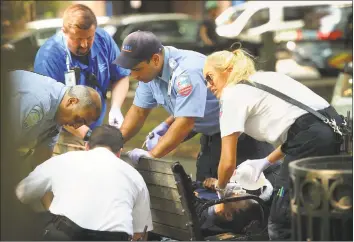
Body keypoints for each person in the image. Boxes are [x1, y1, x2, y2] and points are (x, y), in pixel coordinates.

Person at [202, 48, 344, 240]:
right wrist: (266, 161)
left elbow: (227, 162)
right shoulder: (267, 78)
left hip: (313, 139)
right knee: (323, 210)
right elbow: (302, 127)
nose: (209, 85)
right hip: (336, 131)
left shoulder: (232, 94)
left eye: (210, 77)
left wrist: (222, 191)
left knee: (282, 217)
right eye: (205, 81)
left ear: (227, 69)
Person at [114, 31, 276, 182]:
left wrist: (152, 155)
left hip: (243, 138)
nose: (133, 76)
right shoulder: (149, 75)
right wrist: (112, 145)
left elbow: (186, 121)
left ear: (156, 59)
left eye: (136, 69)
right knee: (204, 194)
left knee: (251, 196)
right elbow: (138, 111)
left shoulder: (185, 72)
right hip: (211, 137)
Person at [15, 125, 153, 241]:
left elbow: (21, 194)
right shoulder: (135, 177)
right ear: (119, 152)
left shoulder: (63, 160)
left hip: (66, 234)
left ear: (87, 146)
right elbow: (140, 233)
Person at [34, 4, 130, 155]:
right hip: (62, 132)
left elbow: (121, 76)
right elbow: (55, 110)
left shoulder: (103, 40)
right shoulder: (48, 57)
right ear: (64, 32)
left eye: (89, 38)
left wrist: (116, 108)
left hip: (95, 129)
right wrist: (90, 136)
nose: (84, 44)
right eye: (78, 39)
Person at [8, 70, 102, 168]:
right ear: (71, 102)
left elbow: (42, 157)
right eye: (79, 120)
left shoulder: (58, 116)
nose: (76, 126)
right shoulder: (40, 102)